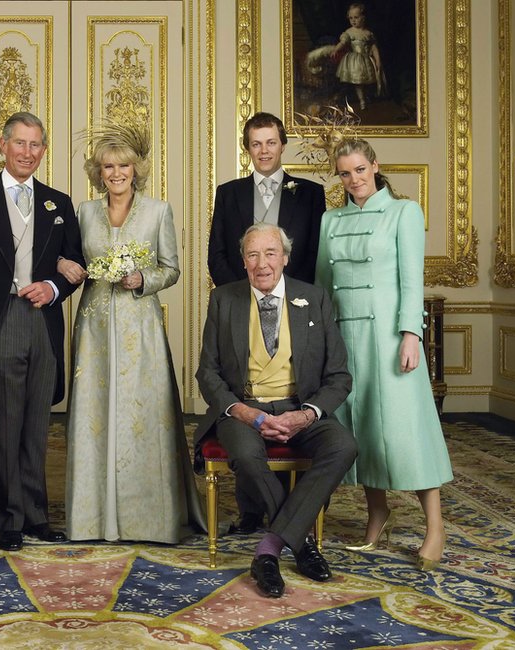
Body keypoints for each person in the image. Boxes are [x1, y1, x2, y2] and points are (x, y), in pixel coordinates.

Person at [56, 122, 203, 543]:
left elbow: (171, 269)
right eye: (108, 166)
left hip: (141, 326)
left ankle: (149, 520)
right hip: (95, 327)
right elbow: (69, 258)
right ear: (98, 172)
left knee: (144, 413)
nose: (116, 173)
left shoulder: (158, 211)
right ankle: (92, 519)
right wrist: (66, 265)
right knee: (94, 413)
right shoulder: (84, 212)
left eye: (123, 165)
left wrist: (143, 279)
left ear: (136, 168)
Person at [195, 223, 357, 598]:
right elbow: (208, 372)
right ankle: (302, 544)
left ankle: (268, 550)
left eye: (270, 253)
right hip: (244, 410)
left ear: (285, 257)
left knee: (343, 446)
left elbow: (339, 376)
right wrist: (243, 412)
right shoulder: (224, 299)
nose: (261, 264)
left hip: (299, 407)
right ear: (243, 261)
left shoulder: (313, 298)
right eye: (252, 255)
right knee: (245, 455)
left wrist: (305, 415)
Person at [316, 138, 453, 571]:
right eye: (345, 173)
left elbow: (412, 281)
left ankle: (435, 527)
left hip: (391, 338)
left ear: (374, 166)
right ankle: (377, 513)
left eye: (360, 169)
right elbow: (322, 287)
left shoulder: (403, 212)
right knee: (359, 428)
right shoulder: (330, 220)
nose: (353, 179)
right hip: (345, 337)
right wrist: (320, 341)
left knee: (406, 430)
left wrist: (411, 334)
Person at [0, 111, 84, 551]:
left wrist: (53, 287)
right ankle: (8, 519)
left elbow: (75, 264)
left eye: (35, 145)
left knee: (38, 423)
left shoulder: (58, 203)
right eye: (20, 143)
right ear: (3, 145)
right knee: (5, 424)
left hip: (43, 320)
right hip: (0, 317)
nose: (28, 152)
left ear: (43, 150)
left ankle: (36, 515)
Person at [207, 111, 326, 535]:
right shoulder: (229, 193)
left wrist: (285, 296)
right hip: (243, 304)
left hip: (292, 304)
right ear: (247, 149)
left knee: (288, 396)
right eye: (255, 144)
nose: (263, 150)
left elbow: (312, 255)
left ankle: (287, 507)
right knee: (246, 394)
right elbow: (218, 254)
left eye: (271, 142)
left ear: (282, 145)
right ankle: (252, 512)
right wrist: (245, 298)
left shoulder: (310, 194)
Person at [330, 3, 385, 112]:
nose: (353, 20)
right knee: (358, 82)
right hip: (354, 61)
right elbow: (343, 43)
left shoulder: (368, 33)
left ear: (363, 18)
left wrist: (378, 61)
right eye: (351, 18)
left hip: (366, 60)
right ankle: (362, 100)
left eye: (356, 17)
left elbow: (374, 48)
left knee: (366, 81)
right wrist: (336, 49)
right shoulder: (349, 32)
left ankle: (366, 97)